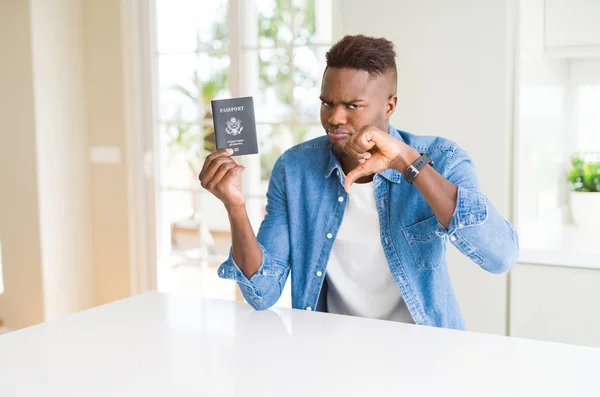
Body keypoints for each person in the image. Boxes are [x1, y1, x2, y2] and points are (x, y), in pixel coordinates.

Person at [198, 35, 519, 329]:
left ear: (390, 105)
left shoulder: (443, 158)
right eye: (327, 103)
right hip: (330, 355)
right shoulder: (294, 169)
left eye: (353, 106)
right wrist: (235, 207)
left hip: (424, 352)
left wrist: (408, 163)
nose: (335, 117)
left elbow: (500, 256)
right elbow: (261, 294)